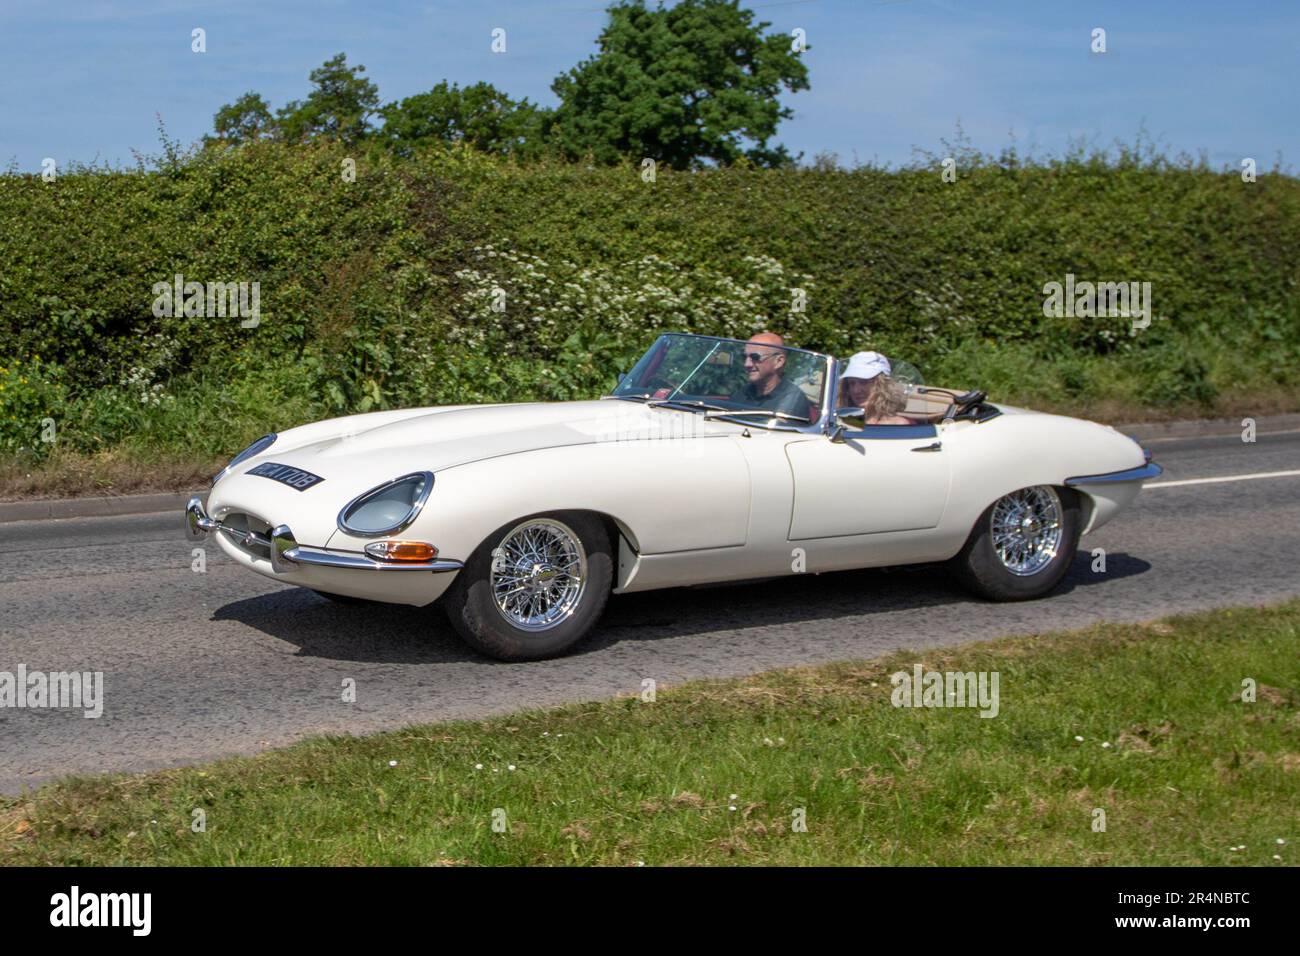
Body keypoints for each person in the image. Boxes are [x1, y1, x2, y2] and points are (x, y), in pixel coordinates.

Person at [727, 332, 811, 419]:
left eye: (755, 357)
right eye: (744, 357)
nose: (747, 364)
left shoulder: (792, 400)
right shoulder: (743, 392)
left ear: (778, 361)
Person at [839, 351, 911, 425]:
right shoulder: (842, 424)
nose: (856, 390)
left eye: (864, 382)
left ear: (882, 385)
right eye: (852, 383)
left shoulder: (897, 425)